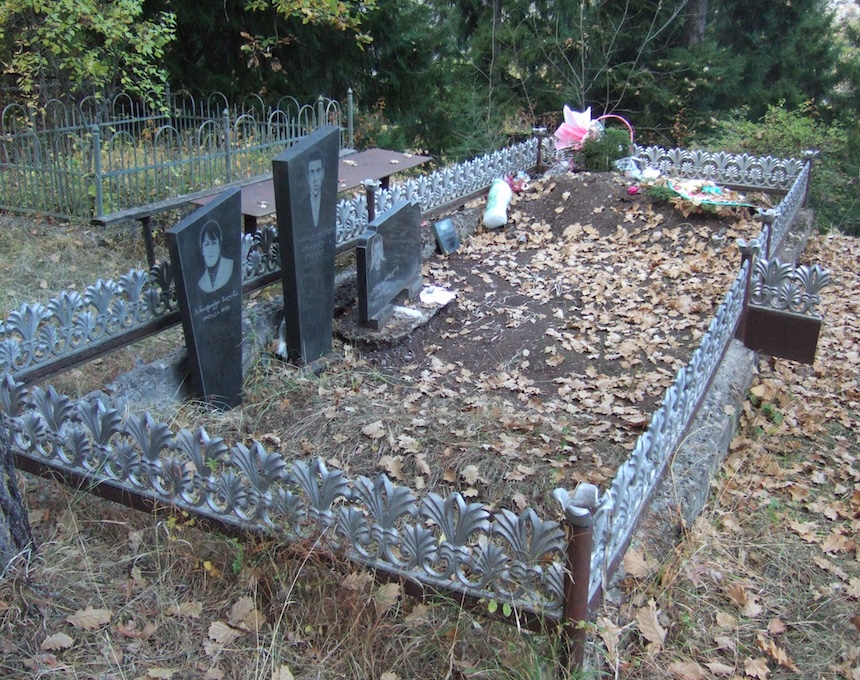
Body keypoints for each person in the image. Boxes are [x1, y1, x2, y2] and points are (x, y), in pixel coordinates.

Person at [197, 221, 234, 293]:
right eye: (206, 244)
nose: (210, 249)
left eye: (214, 243)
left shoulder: (229, 265)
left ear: (219, 246)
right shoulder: (201, 282)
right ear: (202, 250)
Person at [307, 149, 324, 228]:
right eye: (311, 172)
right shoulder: (300, 205)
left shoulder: (329, 200)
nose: (315, 179)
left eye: (318, 171)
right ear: (307, 177)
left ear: (323, 174)